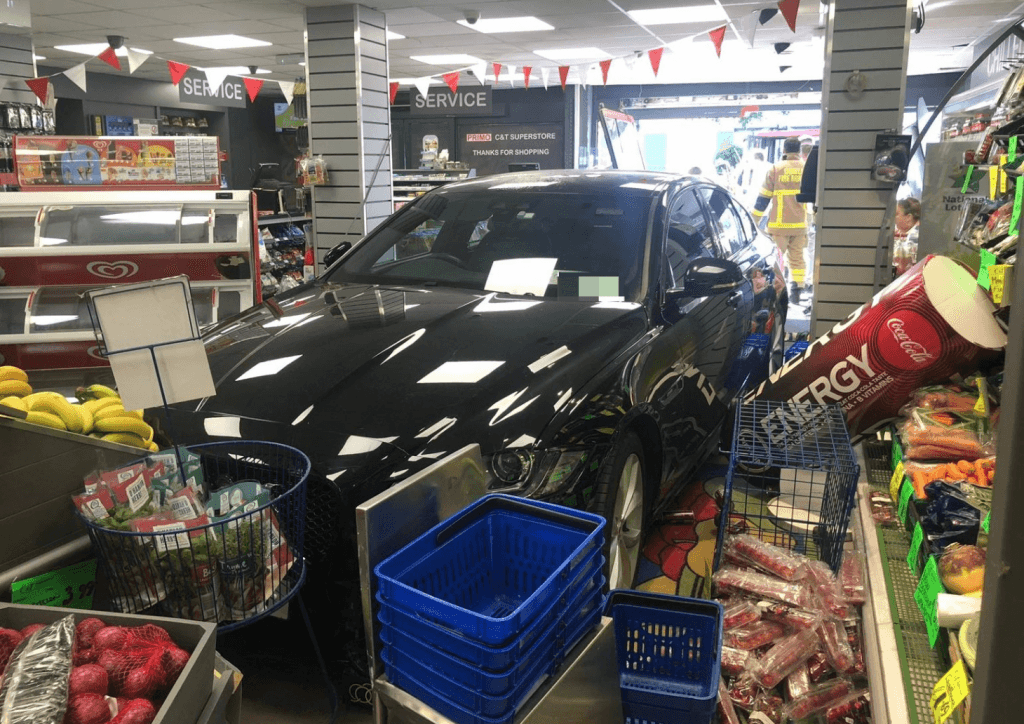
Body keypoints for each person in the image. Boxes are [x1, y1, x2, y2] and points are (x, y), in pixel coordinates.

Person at [751, 136, 809, 305]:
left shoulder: (776, 169)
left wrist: (754, 219)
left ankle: (776, 293)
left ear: (784, 150)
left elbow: (764, 197)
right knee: (797, 260)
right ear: (798, 151)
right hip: (799, 224)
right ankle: (797, 291)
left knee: (776, 260)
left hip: (779, 225)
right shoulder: (806, 168)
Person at [893, 197, 921, 277]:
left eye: (896, 214)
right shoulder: (898, 233)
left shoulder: (917, 237)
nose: (894, 218)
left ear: (908, 217)